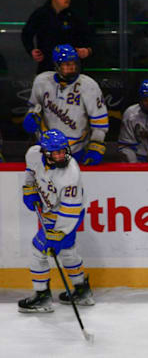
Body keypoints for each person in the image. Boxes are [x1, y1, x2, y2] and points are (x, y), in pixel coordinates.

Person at [18, 130, 94, 313]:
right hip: (51, 210)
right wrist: (29, 190)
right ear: (45, 152)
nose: (61, 155)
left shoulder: (70, 174)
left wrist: (58, 233)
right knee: (67, 251)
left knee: (39, 250)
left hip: (67, 215)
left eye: (63, 150)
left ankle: (42, 297)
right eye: (56, 152)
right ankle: (82, 291)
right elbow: (31, 173)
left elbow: (70, 210)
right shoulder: (33, 154)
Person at [22, 45, 108, 166]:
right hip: (46, 148)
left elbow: (99, 123)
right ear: (57, 66)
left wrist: (96, 146)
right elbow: (35, 107)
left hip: (77, 150)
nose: (72, 68)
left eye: (74, 64)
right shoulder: (42, 81)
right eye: (67, 65)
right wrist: (31, 116)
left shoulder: (89, 85)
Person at [21, 0, 94, 74]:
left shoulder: (75, 15)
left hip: (72, 69)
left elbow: (90, 38)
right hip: (47, 67)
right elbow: (26, 34)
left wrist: (87, 50)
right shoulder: (41, 14)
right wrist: (31, 50)